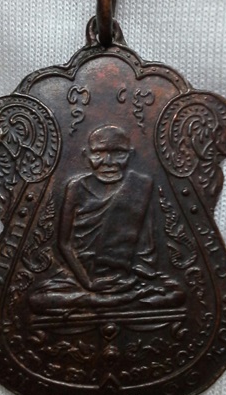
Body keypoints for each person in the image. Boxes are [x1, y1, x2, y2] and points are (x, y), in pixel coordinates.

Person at [29, 125, 185, 314]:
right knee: (36, 299)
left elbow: (148, 245)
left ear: (130, 155)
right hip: (81, 274)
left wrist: (137, 273)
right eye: (98, 153)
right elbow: (64, 243)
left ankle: (101, 301)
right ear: (86, 155)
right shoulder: (76, 187)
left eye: (119, 153)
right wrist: (87, 282)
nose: (109, 162)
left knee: (178, 294)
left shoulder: (140, 186)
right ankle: (112, 300)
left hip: (126, 276)